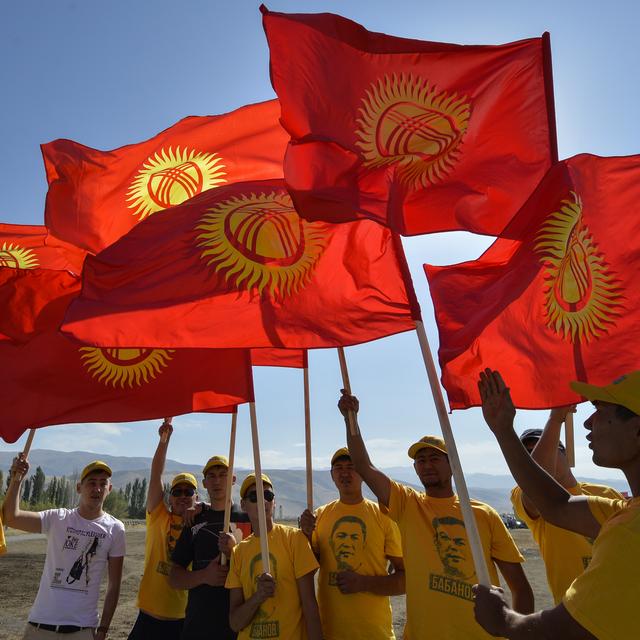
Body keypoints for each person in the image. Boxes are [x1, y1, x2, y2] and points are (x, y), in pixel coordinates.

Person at [338, 391, 534, 640]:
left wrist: (518, 633)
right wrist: (350, 419)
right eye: (420, 461)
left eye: (434, 458)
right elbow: (364, 466)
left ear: (452, 464)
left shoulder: (483, 515)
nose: (427, 465)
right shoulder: (408, 504)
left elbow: (520, 587)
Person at [475, 368, 640, 639]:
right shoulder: (624, 513)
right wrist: (504, 431)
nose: (588, 423)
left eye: (601, 410)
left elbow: (563, 630)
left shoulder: (630, 532)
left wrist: (503, 619)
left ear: (637, 429)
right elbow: (556, 505)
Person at [3, 457, 125, 640]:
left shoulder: (115, 529)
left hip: (82, 630)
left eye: (102, 484)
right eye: (91, 483)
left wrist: (103, 629)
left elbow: (114, 586)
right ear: (79, 488)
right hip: (40, 627)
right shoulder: (57, 518)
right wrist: (17, 479)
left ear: (109, 489)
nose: (97, 489)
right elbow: (12, 517)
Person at [511, 410, 623, 604]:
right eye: (528, 456)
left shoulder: (606, 494)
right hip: (574, 616)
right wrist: (555, 419)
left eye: (544, 447)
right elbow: (536, 486)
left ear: (565, 453)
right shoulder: (524, 495)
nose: (535, 459)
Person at [299, 447, 404, 640]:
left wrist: (363, 583)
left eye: (351, 466)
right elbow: (309, 569)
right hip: (329, 633)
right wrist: (305, 535)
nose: (345, 473)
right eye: (339, 467)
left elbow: (405, 580)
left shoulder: (383, 516)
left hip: (374, 634)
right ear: (332, 475)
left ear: (363, 473)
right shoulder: (320, 516)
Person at [225, 473, 323, 640]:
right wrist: (258, 597)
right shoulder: (238, 552)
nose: (263, 501)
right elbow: (235, 623)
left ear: (274, 502)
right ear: (243, 505)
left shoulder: (294, 539)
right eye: (254, 496)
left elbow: (310, 606)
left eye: (268, 495)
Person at [128, 420, 200, 639]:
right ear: (170, 498)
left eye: (188, 492)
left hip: (181, 619)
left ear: (196, 498)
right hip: (147, 617)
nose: (183, 496)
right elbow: (156, 474)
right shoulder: (158, 516)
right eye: (177, 492)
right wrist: (163, 441)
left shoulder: (199, 527)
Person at [170, 454, 250, 640]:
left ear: (233, 480)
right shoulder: (195, 521)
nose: (217, 481)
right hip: (198, 627)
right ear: (204, 483)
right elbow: (174, 577)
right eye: (212, 476)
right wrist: (204, 576)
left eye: (223, 475)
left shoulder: (247, 519)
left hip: (241, 628)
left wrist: (234, 553)